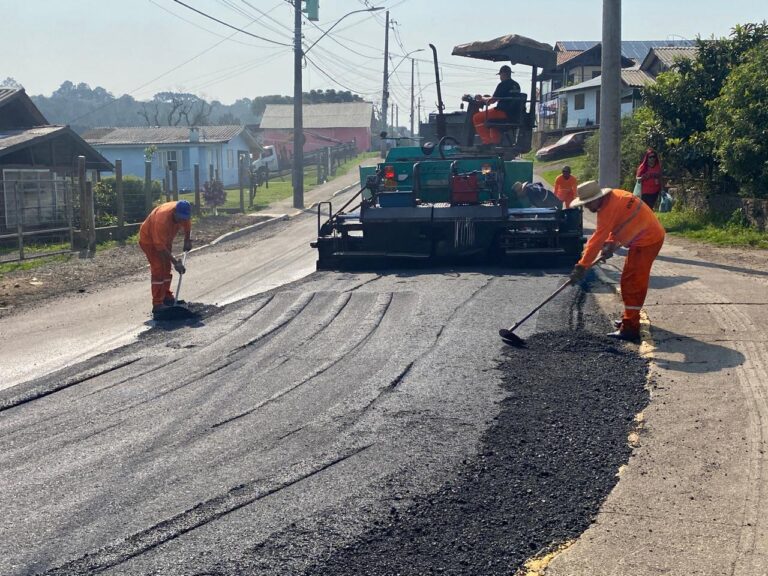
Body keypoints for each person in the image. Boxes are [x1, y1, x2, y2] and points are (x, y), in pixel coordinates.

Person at [569, 180, 665, 341]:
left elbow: (597, 239)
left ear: (595, 199)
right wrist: (611, 244)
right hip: (647, 238)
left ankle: (630, 328)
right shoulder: (616, 197)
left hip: (647, 241)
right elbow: (621, 223)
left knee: (632, 283)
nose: (586, 207)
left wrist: (582, 265)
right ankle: (629, 317)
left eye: (587, 203)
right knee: (628, 281)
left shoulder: (607, 209)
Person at [138, 200, 193, 314]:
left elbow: (187, 224)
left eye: (184, 218)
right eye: (180, 218)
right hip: (149, 241)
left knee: (166, 267)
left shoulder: (184, 213)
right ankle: (157, 304)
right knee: (158, 268)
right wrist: (175, 262)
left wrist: (187, 240)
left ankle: (166, 297)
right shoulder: (161, 219)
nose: (182, 220)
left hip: (165, 239)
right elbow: (159, 246)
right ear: (174, 212)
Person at [472, 64, 522, 145]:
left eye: (500, 75)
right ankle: (495, 143)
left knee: (476, 117)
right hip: (514, 114)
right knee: (493, 122)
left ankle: (487, 142)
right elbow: (501, 96)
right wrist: (487, 98)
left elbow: (492, 101)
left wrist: (481, 98)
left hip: (503, 112)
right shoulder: (516, 85)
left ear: (503, 74)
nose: (500, 77)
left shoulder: (503, 84)